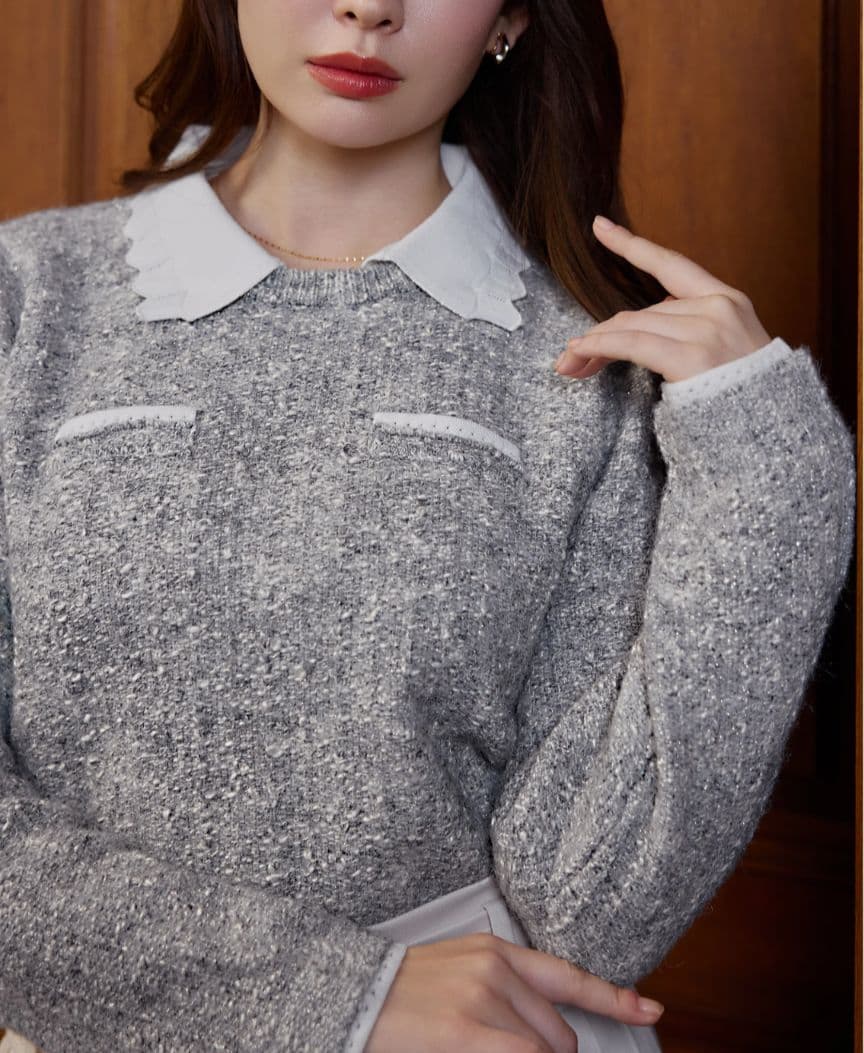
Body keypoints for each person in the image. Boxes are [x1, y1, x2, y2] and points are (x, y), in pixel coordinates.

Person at [0, 1, 854, 1051]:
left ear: (511, 18)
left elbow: (598, 906)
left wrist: (765, 460)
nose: (370, 8)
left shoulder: (598, 363)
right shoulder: (28, 300)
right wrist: (339, 995)